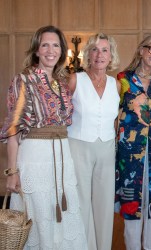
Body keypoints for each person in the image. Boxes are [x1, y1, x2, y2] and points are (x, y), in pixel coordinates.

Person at [0, 25, 87, 249]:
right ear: (36, 50)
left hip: (62, 157)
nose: (51, 50)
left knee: (65, 215)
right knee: (39, 217)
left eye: (56, 45)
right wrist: (12, 172)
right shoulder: (23, 80)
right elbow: (13, 129)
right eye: (45, 45)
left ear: (61, 50)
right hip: (34, 157)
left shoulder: (63, 83)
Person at [115, 35, 151, 250]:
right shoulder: (123, 79)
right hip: (129, 151)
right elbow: (114, 112)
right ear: (141, 50)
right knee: (131, 204)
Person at [67, 33, 120, 250]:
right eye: (95, 50)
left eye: (104, 50)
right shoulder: (74, 80)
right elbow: (60, 114)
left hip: (106, 148)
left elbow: (115, 119)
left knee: (104, 203)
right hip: (78, 145)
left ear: (111, 56)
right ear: (88, 54)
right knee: (80, 203)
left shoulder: (115, 84)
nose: (99, 55)